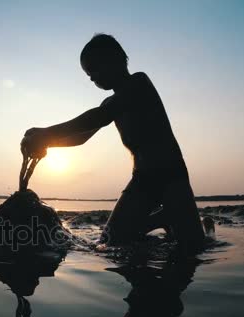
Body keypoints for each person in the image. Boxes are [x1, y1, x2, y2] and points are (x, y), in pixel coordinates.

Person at [21, 33, 205, 253]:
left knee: (192, 247)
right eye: (87, 73)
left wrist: (45, 133)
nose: (91, 78)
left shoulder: (139, 83)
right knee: (110, 241)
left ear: (116, 60)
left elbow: (99, 116)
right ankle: (161, 219)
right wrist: (47, 143)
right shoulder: (110, 102)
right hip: (142, 180)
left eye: (93, 70)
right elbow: (81, 137)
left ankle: (174, 219)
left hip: (170, 174)